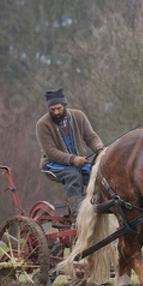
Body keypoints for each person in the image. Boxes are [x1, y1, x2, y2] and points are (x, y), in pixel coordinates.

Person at [35, 87, 104, 218]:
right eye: (52, 109)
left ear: (65, 105)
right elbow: (51, 152)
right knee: (73, 176)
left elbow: (91, 137)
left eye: (59, 108)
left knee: (97, 175)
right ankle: (76, 214)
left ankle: (97, 207)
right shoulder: (42, 124)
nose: (56, 112)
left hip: (78, 162)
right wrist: (73, 159)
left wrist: (99, 149)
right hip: (53, 164)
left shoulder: (79, 116)